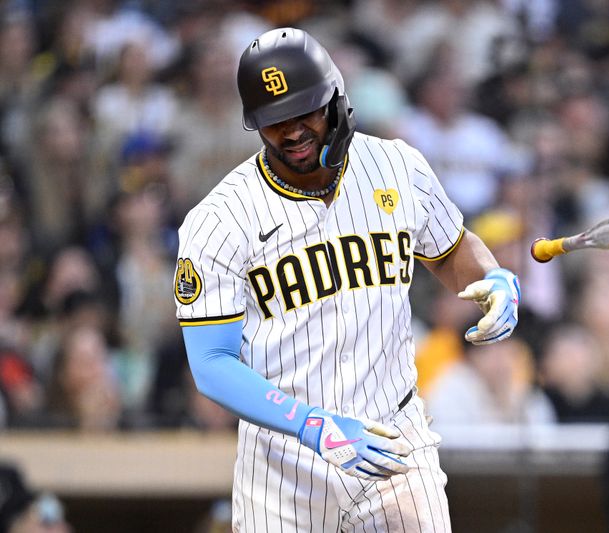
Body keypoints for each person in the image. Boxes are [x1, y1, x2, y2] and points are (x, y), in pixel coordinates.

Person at [174, 28, 521, 532]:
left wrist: (492, 277)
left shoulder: (398, 166)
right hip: (285, 459)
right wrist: (310, 425)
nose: (290, 132)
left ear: (336, 97)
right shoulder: (221, 219)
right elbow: (210, 363)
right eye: (273, 121)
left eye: (303, 112)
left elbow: (449, 250)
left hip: (395, 439)